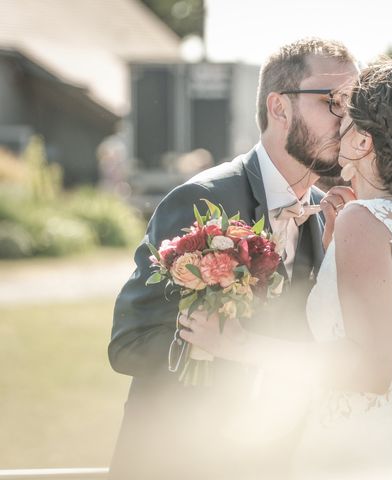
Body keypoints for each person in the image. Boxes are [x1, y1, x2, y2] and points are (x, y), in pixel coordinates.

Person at [179, 58, 392, 478]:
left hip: (346, 456)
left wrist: (240, 345)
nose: (335, 130)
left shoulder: (363, 221)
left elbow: (370, 368)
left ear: (364, 143)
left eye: (344, 120)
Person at [108, 38, 358, 480]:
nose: (347, 119)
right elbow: (128, 343)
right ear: (279, 107)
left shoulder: (328, 217)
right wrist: (209, 346)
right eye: (331, 101)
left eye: (352, 103)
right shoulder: (200, 201)